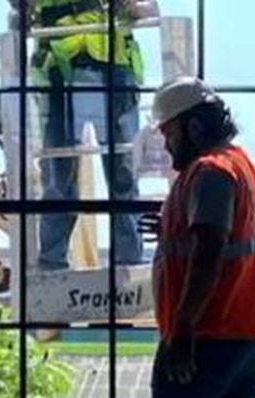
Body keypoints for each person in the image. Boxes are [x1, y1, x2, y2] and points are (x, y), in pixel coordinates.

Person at [143, 77, 255, 398]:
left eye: (169, 133)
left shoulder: (210, 171)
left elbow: (210, 251)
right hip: (250, 331)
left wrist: (182, 331)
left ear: (193, 127)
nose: (166, 144)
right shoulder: (246, 168)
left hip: (208, 333)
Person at [12, 0, 159, 270]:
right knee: (58, 171)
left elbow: (151, 9)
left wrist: (132, 7)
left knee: (122, 170)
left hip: (113, 66)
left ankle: (129, 259)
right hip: (59, 69)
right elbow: (18, 11)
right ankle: (52, 263)